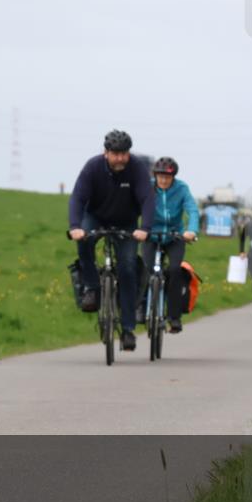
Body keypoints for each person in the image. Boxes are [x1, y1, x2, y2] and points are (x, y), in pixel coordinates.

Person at [68, 130, 154, 351]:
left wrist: (144, 228)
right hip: (95, 216)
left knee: (127, 268)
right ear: (106, 153)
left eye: (124, 153)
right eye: (115, 153)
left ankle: (127, 329)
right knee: (84, 241)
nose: (120, 158)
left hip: (126, 222)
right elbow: (78, 198)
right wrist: (76, 227)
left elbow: (147, 199)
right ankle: (92, 287)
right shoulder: (93, 167)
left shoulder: (137, 169)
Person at [141, 157, 198, 334]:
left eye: (167, 177)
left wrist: (191, 230)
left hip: (175, 236)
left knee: (174, 271)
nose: (163, 180)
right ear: (155, 175)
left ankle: (174, 317)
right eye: (160, 176)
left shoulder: (181, 189)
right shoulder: (147, 188)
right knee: (145, 268)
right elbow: (133, 206)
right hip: (151, 235)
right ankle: (140, 309)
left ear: (173, 177)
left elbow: (192, 210)